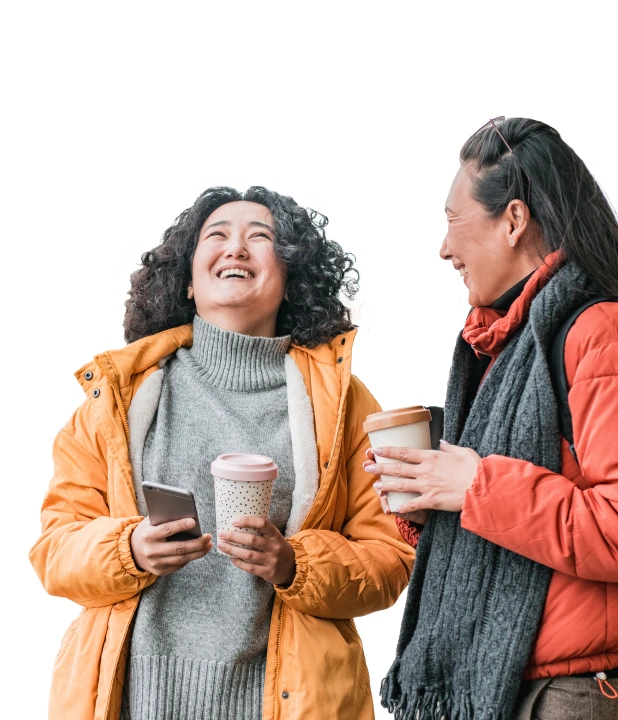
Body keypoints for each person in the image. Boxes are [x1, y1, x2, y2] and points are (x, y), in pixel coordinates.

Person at [29, 185, 414, 720]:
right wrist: (130, 549)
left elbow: (388, 558)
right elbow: (55, 551)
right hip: (131, 700)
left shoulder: (344, 405)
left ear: (291, 281)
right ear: (187, 281)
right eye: (218, 236)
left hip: (284, 704)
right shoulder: (116, 399)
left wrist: (293, 564)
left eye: (260, 238)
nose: (236, 248)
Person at [366, 117, 618, 720]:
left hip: (565, 697)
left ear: (513, 220)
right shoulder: (503, 346)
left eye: (454, 222)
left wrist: (475, 487)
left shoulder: (611, 334)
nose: (444, 248)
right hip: (497, 686)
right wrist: (429, 495)